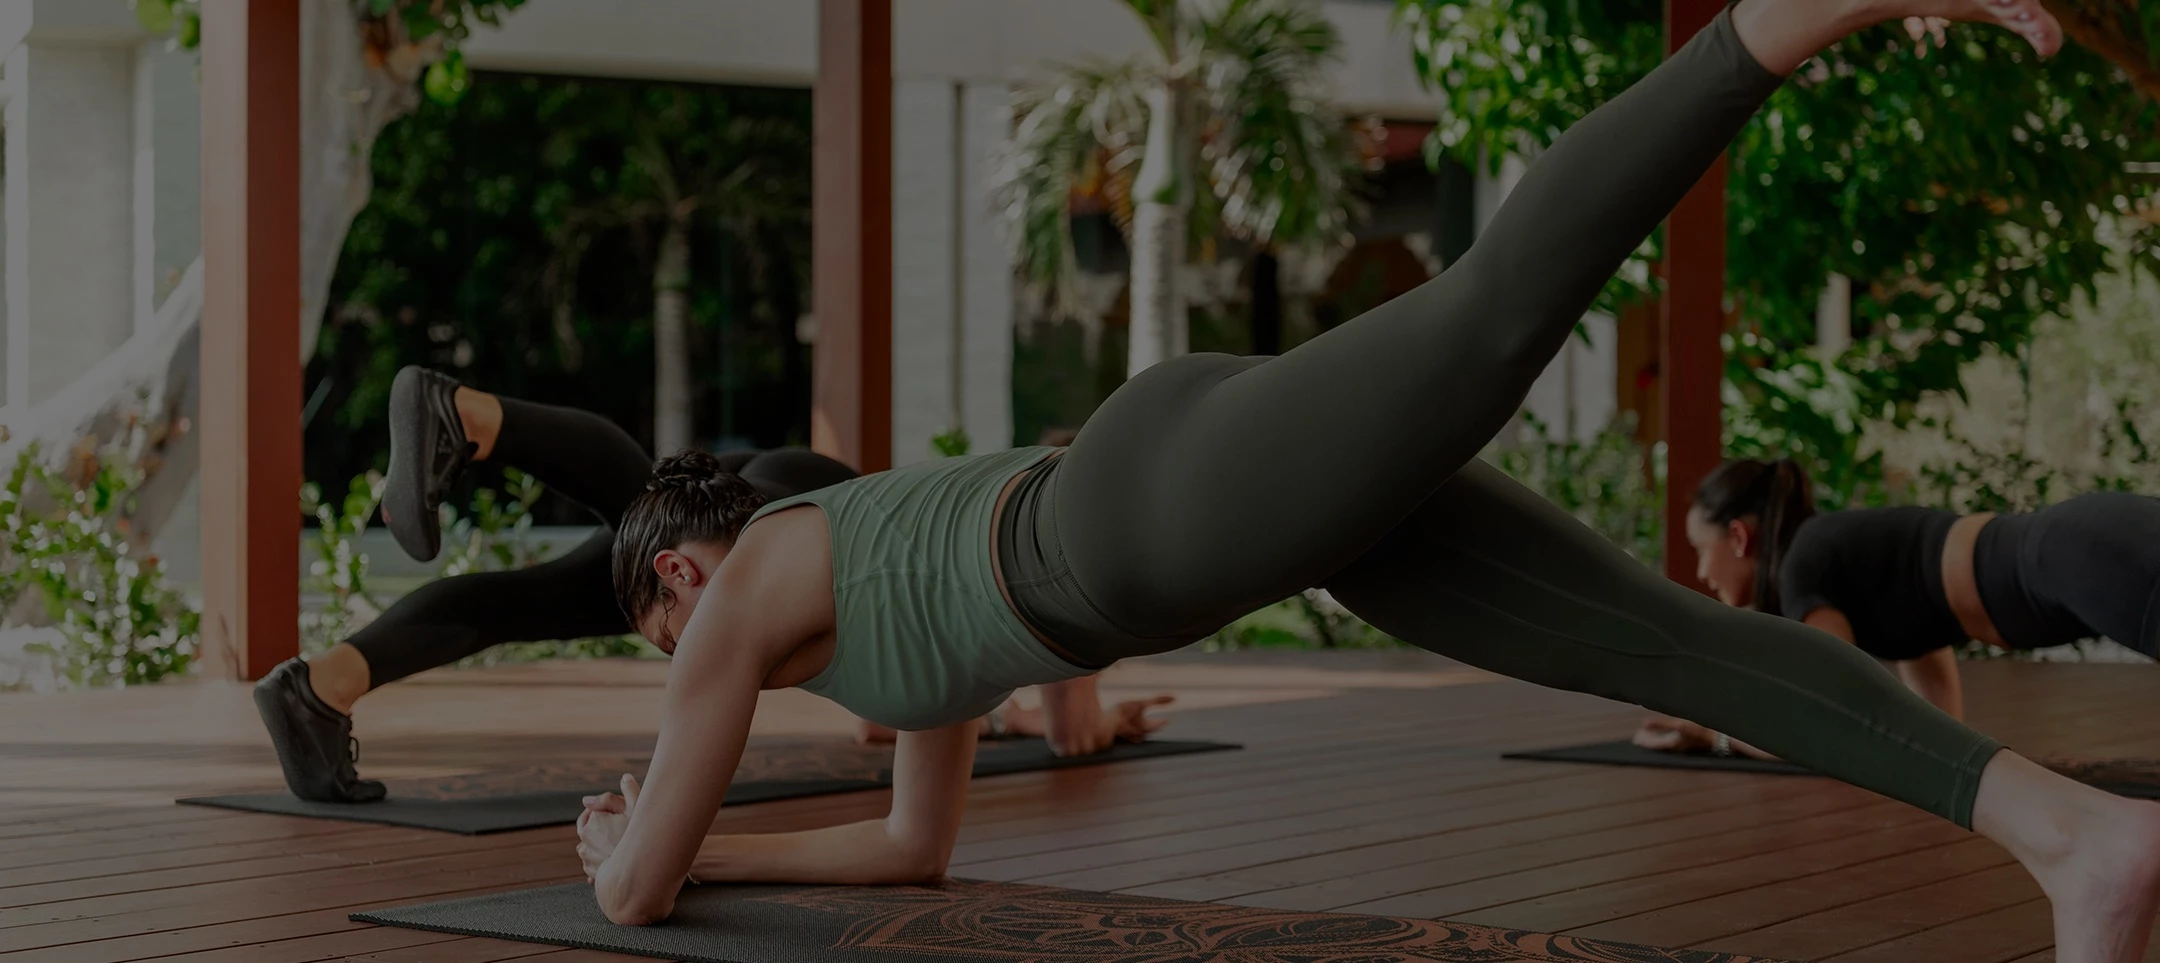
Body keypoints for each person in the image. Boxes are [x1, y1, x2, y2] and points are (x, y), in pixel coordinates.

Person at [562, 5, 2160, 961]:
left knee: (1486, 313)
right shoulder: (852, 610)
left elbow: (632, 894)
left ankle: (1782, 18)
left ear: (678, 580)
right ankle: (2074, 838)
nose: (687, 683)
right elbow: (911, 850)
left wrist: (635, 840)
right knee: (1660, 645)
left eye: (657, 644)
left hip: (1145, 509)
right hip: (1201, 513)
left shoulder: (748, 583)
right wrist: (709, 845)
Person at [251, 372, 1170, 803]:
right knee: (642, 502)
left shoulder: (986, 585)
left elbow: (888, 719)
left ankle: (320, 687)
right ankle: (468, 413)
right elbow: (1065, 728)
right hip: (798, 504)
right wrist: (1094, 711)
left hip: (781, 490)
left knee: (551, 598)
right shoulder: (1057, 580)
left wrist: (1008, 716)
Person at [1633, 457, 2160, 759]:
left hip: (2086, 555)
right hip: (2085, 550)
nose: (1702, 574)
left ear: (1739, 537)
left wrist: (1711, 732)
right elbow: (1937, 732)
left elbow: (1828, 723)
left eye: (1702, 550)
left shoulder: (1804, 564)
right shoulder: (1840, 562)